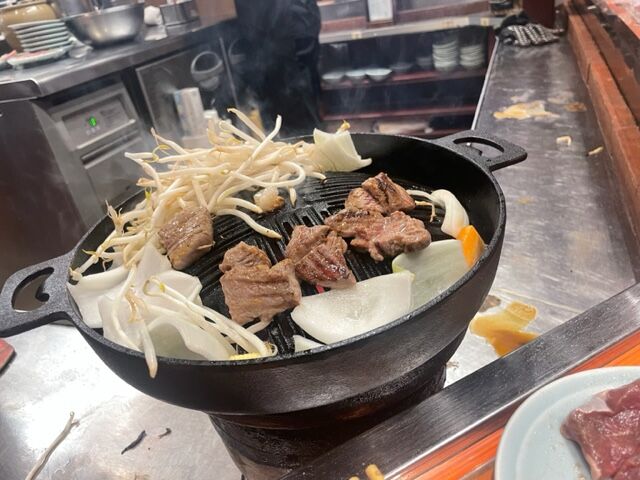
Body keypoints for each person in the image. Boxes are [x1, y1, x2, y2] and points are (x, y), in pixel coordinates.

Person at [234, 0, 322, 136]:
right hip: (270, 43)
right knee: (276, 121)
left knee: (301, 121)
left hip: (287, 43)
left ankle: (306, 140)